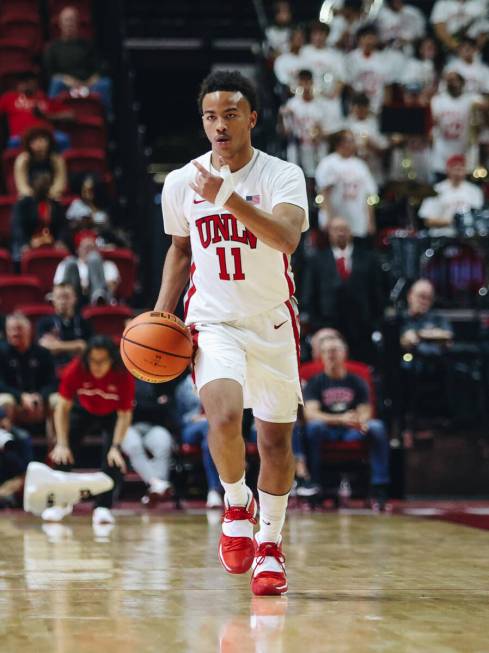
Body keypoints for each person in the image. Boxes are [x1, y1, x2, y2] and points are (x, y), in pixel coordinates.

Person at [156, 70, 308, 596]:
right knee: (221, 414)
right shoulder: (180, 182)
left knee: (274, 440)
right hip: (213, 320)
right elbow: (179, 250)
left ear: (253, 119)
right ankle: (235, 501)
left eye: (230, 115)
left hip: (271, 321)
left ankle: (269, 543)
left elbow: (287, 238)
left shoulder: (283, 175)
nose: (219, 126)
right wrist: (162, 315)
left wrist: (229, 200)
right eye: (210, 116)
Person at [47, 335, 135, 524]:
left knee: (113, 458)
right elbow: (61, 408)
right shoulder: (76, 368)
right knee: (62, 451)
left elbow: (125, 415)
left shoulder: (123, 374)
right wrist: (61, 443)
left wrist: (116, 446)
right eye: (93, 361)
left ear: (111, 359)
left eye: (102, 361)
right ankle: (60, 503)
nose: (97, 366)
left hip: (112, 414)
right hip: (84, 409)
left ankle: (103, 507)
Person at [303, 336, 390, 510]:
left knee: (377, 427)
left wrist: (358, 421)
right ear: (321, 355)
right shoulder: (315, 382)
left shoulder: (357, 381)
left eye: (334, 351)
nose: (331, 355)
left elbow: (366, 411)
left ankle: (379, 487)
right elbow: (311, 414)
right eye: (327, 351)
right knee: (313, 427)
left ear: (344, 354)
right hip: (326, 429)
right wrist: (340, 419)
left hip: (352, 429)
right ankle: (314, 484)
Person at [302, 216, 384, 363]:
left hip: (362, 328)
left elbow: (377, 293)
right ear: (329, 233)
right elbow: (309, 294)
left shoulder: (369, 258)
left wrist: (374, 322)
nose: (340, 233)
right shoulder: (316, 260)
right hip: (327, 327)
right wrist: (317, 326)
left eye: (344, 229)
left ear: (351, 232)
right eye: (336, 229)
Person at [44, 6, 112, 113]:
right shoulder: (53, 48)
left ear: (78, 23)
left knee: (105, 83)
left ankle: (107, 121)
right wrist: (68, 80)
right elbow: (50, 73)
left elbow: (99, 68)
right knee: (55, 82)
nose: (69, 24)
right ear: (60, 24)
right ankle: (52, 117)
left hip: (88, 85)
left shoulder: (87, 45)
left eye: (72, 20)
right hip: (66, 85)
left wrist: (90, 81)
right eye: (66, 20)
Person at [315, 129, 377, 237]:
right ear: (339, 142)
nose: (353, 143)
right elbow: (324, 193)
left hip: (357, 220)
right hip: (336, 220)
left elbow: (369, 195)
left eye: (353, 140)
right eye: (349, 140)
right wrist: (328, 217)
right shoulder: (328, 163)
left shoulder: (360, 165)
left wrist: (370, 221)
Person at [121, 379, 174, 505]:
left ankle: (155, 488)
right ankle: (157, 484)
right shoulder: (122, 376)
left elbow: (168, 406)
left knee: (164, 443)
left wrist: (138, 405)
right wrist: (153, 405)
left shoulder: (159, 377)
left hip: (153, 426)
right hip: (128, 426)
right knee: (133, 445)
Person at [175, 372, 223, 509]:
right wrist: (194, 418)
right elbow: (176, 417)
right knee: (209, 429)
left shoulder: (218, 381)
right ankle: (216, 489)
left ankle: (213, 490)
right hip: (190, 429)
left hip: (213, 429)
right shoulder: (183, 386)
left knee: (208, 442)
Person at [0, 313, 57, 428]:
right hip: (14, 400)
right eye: (11, 330)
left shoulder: (43, 353)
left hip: (40, 401)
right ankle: (6, 443)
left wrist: (40, 396)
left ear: (29, 330)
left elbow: (53, 382)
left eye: (19, 329)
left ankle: (59, 444)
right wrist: (21, 397)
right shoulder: (1, 352)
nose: (15, 333)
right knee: (4, 401)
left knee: (57, 401)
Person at [430, 71, 486, 179]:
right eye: (449, 80)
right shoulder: (438, 100)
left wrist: (482, 108)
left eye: (455, 80)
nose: (452, 83)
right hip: (442, 154)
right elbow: (433, 121)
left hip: (466, 152)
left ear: (462, 82)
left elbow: (485, 105)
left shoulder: (471, 99)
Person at [278, 69, 329, 180]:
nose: (305, 86)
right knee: (297, 179)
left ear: (312, 83)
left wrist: (318, 133)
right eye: (302, 82)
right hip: (297, 149)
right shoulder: (292, 104)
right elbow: (285, 132)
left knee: (315, 179)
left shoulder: (321, 104)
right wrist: (282, 116)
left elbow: (326, 132)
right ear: (298, 84)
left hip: (316, 149)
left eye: (308, 82)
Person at [0, 71, 72, 150]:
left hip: (45, 135)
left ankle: (58, 162)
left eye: (29, 81)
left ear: (36, 83)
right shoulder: (9, 97)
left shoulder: (43, 97)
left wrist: (46, 116)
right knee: (12, 143)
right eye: (23, 82)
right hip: (20, 136)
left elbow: (70, 115)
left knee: (63, 139)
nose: (26, 85)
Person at [418, 154, 484, 236]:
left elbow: (479, 216)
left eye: (460, 168)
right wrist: (452, 221)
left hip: (467, 236)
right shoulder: (436, 189)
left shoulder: (474, 191)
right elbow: (428, 221)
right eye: (454, 168)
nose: (457, 172)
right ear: (448, 169)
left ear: (465, 170)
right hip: (442, 235)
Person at [11, 170, 68, 264]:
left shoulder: (56, 205)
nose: (43, 186)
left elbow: (63, 226)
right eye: (40, 182)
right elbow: (17, 227)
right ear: (32, 184)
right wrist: (25, 243)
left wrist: (60, 240)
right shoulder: (23, 205)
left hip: (52, 242)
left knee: (67, 255)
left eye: (46, 183)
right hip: (29, 241)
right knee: (18, 253)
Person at [37, 283, 92, 369]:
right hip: (53, 369)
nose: (63, 301)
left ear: (75, 299)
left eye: (66, 297)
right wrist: (77, 345)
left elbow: (87, 348)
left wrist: (57, 345)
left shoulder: (84, 323)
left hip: (80, 368)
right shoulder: (44, 323)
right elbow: (45, 347)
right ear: (53, 300)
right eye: (59, 297)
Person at [53, 232, 120, 304]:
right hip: (74, 301)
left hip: (101, 302)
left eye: (91, 247)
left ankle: (97, 296)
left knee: (93, 258)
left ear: (97, 249)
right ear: (77, 249)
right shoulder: (66, 264)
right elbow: (58, 286)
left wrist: (92, 286)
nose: (88, 251)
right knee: (70, 262)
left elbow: (112, 287)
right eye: (85, 247)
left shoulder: (108, 265)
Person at [14, 127, 67, 199]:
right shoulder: (23, 160)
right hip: (29, 195)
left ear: (49, 141)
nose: (39, 144)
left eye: (42, 140)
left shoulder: (56, 159)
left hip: (52, 195)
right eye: (34, 141)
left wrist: (51, 194)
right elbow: (21, 185)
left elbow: (60, 182)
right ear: (29, 144)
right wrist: (32, 195)